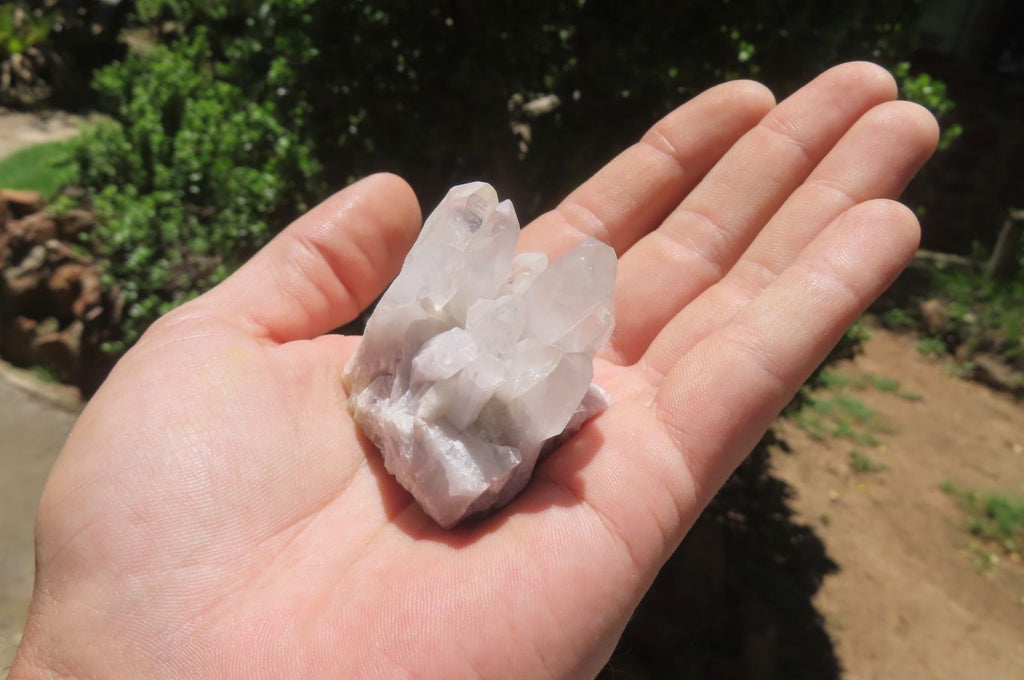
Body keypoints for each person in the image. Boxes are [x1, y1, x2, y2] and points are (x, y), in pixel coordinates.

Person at [10, 62, 937, 679]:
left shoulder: (534, 360)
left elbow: (543, 348)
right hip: (457, 385)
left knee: (534, 314)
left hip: (493, 382)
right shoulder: (437, 352)